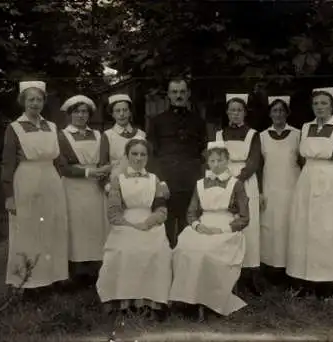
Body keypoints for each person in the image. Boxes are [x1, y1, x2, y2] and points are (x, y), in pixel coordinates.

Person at [287, 87, 333, 300]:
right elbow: (300, 157)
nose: (319, 107)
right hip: (307, 180)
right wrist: (311, 172)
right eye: (316, 103)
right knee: (304, 229)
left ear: (332, 106)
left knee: (326, 231)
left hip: (329, 181)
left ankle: (327, 284)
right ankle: (305, 280)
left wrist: (332, 179)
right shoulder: (306, 127)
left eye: (324, 103)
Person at [169, 141, 249, 321]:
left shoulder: (236, 184)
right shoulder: (200, 184)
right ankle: (186, 298)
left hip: (226, 228)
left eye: (220, 160)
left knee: (205, 253)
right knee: (183, 249)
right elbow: (191, 212)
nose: (216, 164)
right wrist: (198, 226)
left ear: (227, 160)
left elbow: (244, 218)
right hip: (203, 224)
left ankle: (209, 299)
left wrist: (222, 229)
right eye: (212, 161)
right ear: (208, 163)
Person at [1, 80, 68, 294]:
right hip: (26, 180)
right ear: (23, 101)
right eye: (31, 99)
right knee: (28, 231)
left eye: (39, 99)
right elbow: (8, 163)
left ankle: (52, 277)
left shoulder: (52, 126)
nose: (35, 103)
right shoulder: (15, 128)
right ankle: (26, 282)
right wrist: (9, 195)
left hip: (51, 180)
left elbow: (58, 161)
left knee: (52, 228)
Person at [96, 139, 171, 321]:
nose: (138, 158)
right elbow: (113, 212)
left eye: (143, 154)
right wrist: (130, 225)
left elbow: (161, 210)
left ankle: (151, 303)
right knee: (124, 250)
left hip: (150, 222)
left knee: (158, 251)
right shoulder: (118, 180)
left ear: (147, 157)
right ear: (127, 156)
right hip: (125, 222)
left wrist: (149, 222)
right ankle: (122, 303)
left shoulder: (155, 180)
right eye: (134, 154)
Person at [58, 95, 112, 286]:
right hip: (74, 187)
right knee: (76, 228)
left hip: (95, 187)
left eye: (84, 112)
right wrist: (90, 171)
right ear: (70, 114)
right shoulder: (62, 135)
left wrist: (104, 171)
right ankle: (76, 271)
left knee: (95, 227)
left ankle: (95, 270)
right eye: (77, 112)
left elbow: (104, 160)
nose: (81, 116)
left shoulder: (98, 135)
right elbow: (63, 167)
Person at [146, 78, 207, 248]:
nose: (178, 96)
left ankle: (185, 269)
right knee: (164, 231)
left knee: (188, 230)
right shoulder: (157, 121)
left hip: (189, 182)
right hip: (167, 183)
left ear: (188, 94)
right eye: (174, 92)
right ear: (168, 95)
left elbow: (201, 152)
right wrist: (160, 181)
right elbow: (152, 154)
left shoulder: (198, 122)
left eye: (182, 92)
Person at [214, 93, 262, 296]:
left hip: (245, 182)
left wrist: (238, 181)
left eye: (239, 110)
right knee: (226, 225)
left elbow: (253, 161)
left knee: (247, 228)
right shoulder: (219, 135)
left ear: (245, 112)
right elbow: (214, 159)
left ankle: (248, 276)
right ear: (227, 113)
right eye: (232, 110)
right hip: (224, 181)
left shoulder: (253, 134)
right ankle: (227, 275)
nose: (235, 113)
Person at [259, 96, 301, 286]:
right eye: (274, 110)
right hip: (270, 188)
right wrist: (260, 191)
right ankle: (271, 268)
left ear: (287, 113)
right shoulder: (261, 136)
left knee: (289, 226)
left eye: (281, 111)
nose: (278, 114)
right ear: (269, 113)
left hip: (292, 188)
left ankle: (291, 268)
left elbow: (303, 162)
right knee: (270, 227)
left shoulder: (297, 134)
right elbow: (259, 166)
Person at [99, 94, 146, 190]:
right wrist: (107, 185)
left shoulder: (141, 134)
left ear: (130, 112)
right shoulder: (108, 135)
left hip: (140, 182)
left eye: (125, 110)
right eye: (117, 111)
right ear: (112, 114)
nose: (121, 114)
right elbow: (103, 164)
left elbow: (148, 161)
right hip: (117, 184)